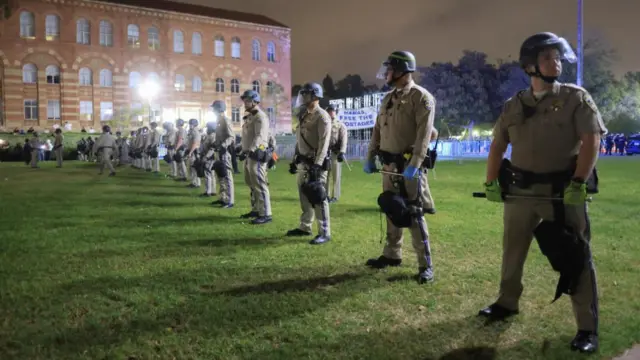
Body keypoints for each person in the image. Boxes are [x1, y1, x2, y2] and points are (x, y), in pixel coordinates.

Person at [478, 32, 604, 353]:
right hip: (520, 193)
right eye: (548, 58)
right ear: (530, 66)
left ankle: (587, 328)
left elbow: (591, 141)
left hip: (562, 195)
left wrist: (579, 181)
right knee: (512, 251)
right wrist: (491, 181)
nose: (556, 63)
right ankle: (507, 303)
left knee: (575, 255)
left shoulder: (576, 98)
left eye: (558, 57)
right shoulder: (514, 105)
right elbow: (498, 145)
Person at [363, 51, 436, 284]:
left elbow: (425, 135)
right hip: (389, 165)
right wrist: (370, 155)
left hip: (408, 166)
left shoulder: (421, 98)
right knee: (392, 209)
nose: (387, 73)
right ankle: (392, 254)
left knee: (413, 213)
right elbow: (377, 130)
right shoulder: (387, 98)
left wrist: (415, 164)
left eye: (391, 69)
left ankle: (426, 265)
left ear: (404, 71)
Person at [286, 83, 332, 244]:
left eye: (306, 94)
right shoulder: (304, 115)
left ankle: (324, 231)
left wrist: (318, 165)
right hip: (303, 162)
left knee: (318, 197)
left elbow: (324, 143)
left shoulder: (322, 116)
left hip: (315, 164)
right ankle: (305, 227)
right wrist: (294, 160)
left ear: (314, 96)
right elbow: (299, 141)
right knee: (304, 197)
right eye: (302, 94)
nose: (303, 97)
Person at [238, 90, 272, 225]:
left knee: (259, 184)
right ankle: (256, 209)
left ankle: (266, 213)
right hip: (248, 153)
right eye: (244, 100)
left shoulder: (260, 117)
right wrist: (242, 149)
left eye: (247, 100)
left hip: (257, 153)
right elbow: (247, 137)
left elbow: (260, 136)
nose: (245, 103)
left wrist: (251, 149)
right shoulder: (250, 116)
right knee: (251, 183)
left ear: (255, 101)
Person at [211, 100, 236, 208]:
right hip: (219, 151)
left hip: (225, 151)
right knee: (220, 175)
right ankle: (223, 198)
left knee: (227, 176)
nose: (212, 110)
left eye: (214, 108)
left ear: (218, 109)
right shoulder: (218, 120)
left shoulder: (226, 120)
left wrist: (223, 146)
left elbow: (231, 136)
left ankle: (230, 200)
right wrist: (215, 144)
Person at [325, 105, 348, 203]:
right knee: (325, 175)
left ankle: (335, 196)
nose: (331, 112)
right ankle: (325, 195)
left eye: (333, 110)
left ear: (336, 112)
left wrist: (342, 152)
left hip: (335, 153)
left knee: (336, 175)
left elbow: (344, 139)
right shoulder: (324, 124)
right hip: (325, 153)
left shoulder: (340, 125)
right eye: (330, 110)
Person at [420, 128, 438, 214]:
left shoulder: (424, 144)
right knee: (424, 186)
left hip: (421, 167)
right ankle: (428, 205)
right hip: (422, 167)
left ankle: (427, 206)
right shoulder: (425, 143)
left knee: (421, 186)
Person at [201, 121, 217, 197]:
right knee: (211, 174)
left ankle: (208, 191)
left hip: (210, 157)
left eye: (208, 128)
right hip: (209, 156)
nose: (207, 129)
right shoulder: (209, 135)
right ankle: (213, 191)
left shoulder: (213, 136)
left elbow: (212, 148)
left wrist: (206, 157)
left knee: (207, 173)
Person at [185, 119, 202, 188]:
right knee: (191, 168)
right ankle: (193, 182)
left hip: (194, 152)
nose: (190, 125)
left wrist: (190, 152)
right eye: (190, 124)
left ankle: (196, 183)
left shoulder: (195, 132)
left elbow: (195, 143)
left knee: (194, 168)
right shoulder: (191, 131)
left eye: (191, 124)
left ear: (195, 124)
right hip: (191, 151)